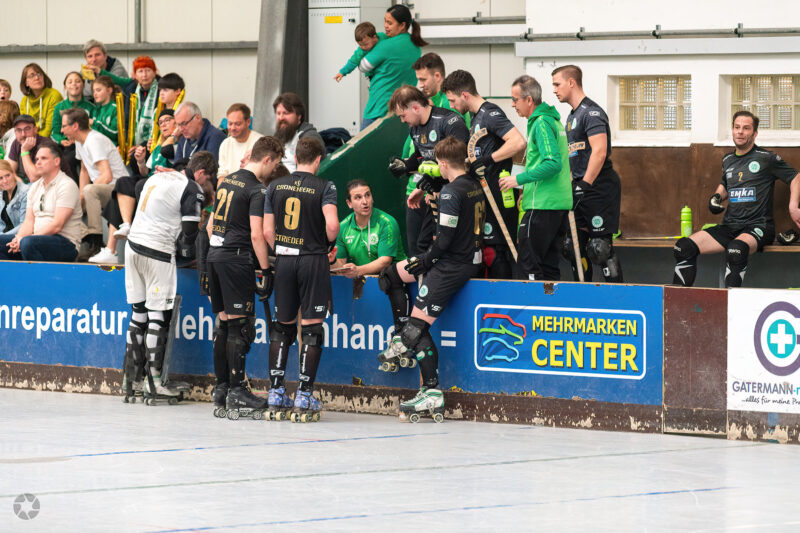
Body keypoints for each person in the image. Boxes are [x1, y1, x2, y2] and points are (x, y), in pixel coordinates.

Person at [391, 136, 485, 421]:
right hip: (470, 259)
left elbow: (443, 240)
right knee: (399, 291)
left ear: (443, 163)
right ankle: (404, 349)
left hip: (452, 265)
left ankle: (431, 391)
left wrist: (424, 261)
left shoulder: (451, 193)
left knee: (415, 329)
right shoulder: (473, 184)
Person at [673, 111, 800, 288]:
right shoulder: (728, 159)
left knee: (736, 250)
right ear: (732, 130)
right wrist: (716, 197)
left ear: (754, 133)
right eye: (737, 127)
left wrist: (793, 207)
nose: (740, 131)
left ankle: (729, 303)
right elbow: (725, 184)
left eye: (746, 128)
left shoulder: (767, 158)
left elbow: (796, 177)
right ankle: (677, 301)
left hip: (758, 226)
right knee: (683, 247)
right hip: (730, 226)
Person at [121, 150, 210, 402]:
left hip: (132, 246)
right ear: (201, 173)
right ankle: (155, 382)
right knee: (158, 316)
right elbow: (190, 233)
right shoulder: (191, 188)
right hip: (157, 251)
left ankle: (131, 380)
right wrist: (188, 252)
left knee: (138, 314)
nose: (205, 186)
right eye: (207, 180)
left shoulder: (156, 177)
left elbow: (138, 188)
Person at [206, 136, 283, 419]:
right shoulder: (256, 189)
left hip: (215, 256)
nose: (273, 170)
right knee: (240, 328)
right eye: (275, 164)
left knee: (224, 324)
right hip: (236, 259)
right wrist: (266, 270)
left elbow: (209, 227)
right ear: (267, 159)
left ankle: (222, 388)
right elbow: (257, 234)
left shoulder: (226, 181)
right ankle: (238, 390)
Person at [263, 137, 338, 423]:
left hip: (284, 260)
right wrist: (325, 242)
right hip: (312, 259)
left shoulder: (275, 186)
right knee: (312, 328)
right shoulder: (325, 186)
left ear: (295, 157)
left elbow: (267, 231)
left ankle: (276, 392)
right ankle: (304, 395)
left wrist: (282, 248)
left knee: (282, 326)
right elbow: (332, 226)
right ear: (318, 159)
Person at [443, 69, 527, 279]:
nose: (451, 106)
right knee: (488, 252)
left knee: (498, 252)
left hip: (500, 194)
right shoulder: (474, 117)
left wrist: (489, 159)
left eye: (453, 100)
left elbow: (518, 142)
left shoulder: (489, 113)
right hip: (484, 194)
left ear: (465, 95)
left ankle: (507, 296)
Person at [496, 75, 573, 281]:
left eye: (515, 99)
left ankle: (533, 301)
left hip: (542, 205)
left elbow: (552, 163)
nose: (512, 105)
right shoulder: (552, 121)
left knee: (528, 267)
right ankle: (548, 299)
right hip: (555, 205)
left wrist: (518, 180)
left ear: (529, 100)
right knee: (549, 268)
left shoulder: (541, 123)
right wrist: (527, 192)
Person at [552, 64, 623, 283]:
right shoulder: (571, 117)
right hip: (579, 188)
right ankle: (583, 295)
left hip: (598, 188)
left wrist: (584, 184)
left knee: (599, 248)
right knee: (573, 247)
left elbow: (599, 151)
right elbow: (573, 158)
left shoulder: (591, 112)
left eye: (557, 84)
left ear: (571, 82)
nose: (554, 90)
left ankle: (617, 296)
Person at [387, 85, 469, 258]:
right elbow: (421, 156)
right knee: (422, 245)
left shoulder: (449, 122)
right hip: (433, 194)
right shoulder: (414, 128)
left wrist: (435, 182)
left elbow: (463, 163)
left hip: (457, 197)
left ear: (416, 108)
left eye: (403, 115)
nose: (402, 120)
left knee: (449, 245)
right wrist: (405, 165)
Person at [333, 179, 410, 363]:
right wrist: (331, 262)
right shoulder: (343, 227)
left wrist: (357, 270)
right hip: (367, 289)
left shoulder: (386, 222)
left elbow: (385, 261)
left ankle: (401, 342)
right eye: (358, 197)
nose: (365, 201)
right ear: (349, 203)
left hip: (396, 285)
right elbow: (340, 263)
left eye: (367, 195)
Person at [60, 108, 128, 263]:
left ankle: (96, 243)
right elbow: (84, 170)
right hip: (101, 188)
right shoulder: (80, 142)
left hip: (118, 189)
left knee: (90, 191)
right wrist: (80, 197)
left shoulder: (94, 140)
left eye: (64, 126)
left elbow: (107, 176)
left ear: (75, 126)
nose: (61, 130)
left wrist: (86, 193)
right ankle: (87, 237)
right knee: (67, 206)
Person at [0, 140, 82, 262]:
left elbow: (57, 225)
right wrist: (18, 238)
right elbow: (28, 221)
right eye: (37, 159)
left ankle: (38, 275)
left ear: (56, 161)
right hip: (36, 240)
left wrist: (26, 238)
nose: (38, 162)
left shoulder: (66, 185)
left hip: (65, 242)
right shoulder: (35, 187)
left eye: (43, 158)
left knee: (28, 243)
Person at [357, 4, 425, 129]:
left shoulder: (386, 45)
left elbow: (363, 66)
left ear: (402, 25)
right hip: (403, 110)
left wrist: (363, 50)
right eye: (385, 21)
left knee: (366, 142)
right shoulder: (416, 45)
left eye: (390, 23)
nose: (385, 26)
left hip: (379, 109)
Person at [99, 55, 160, 147]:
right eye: (140, 71)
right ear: (135, 75)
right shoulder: (129, 91)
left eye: (148, 70)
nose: (144, 75)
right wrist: (127, 144)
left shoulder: (162, 90)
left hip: (154, 141)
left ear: (154, 72)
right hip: (132, 143)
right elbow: (126, 121)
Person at [51, 72, 95, 179]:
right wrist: (61, 140)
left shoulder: (91, 107)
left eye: (78, 81)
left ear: (83, 85)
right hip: (67, 145)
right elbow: (54, 132)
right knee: (66, 160)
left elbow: (94, 129)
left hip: (86, 144)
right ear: (65, 87)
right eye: (70, 82)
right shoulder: (59, 107)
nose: (74, 84)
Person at [6, 114, 72, 182]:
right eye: (19, 130)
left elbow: (34, 178)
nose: (23, 134)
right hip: (28, 184)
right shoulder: (16, 143)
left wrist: (24, 151)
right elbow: (9, 171)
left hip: (56, 184)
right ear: (15, 132)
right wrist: (20, 184)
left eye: (27, 129)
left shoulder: (46, 145)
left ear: (35, 130)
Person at [272, 93, 324, 173]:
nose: (281, 117)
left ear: (299, 116)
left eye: (285, 113)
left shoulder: (310, 138)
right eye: (278, 113)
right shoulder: (279, 136)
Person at [217, 103, 263, 181]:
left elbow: (261, 178)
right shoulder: (225, 144)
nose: (233, 128)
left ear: (248, 122)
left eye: (237, 124)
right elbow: (222, 176)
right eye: (230, 123)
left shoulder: (260, 143)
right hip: (228, 187)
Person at [19, 63, 63, 138]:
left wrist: (35, 141)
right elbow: (23, 127)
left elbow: (50, 129)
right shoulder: (24, 101)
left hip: (51, 139)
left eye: (39, 74)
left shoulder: (54, 95)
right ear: (26, 82)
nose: (37, 77)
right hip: (30, 139)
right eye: (32, 75)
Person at [0, 160, 29, 235]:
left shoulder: (25, 192)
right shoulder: (1, 194)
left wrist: (3, 236)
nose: (5, 181)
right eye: (0, 178)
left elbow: (24, 224)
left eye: (7, 175)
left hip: (19, 235)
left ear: (13, 173)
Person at [90, 76, 119, 145]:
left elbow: (115, 134)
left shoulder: (116, 108)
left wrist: (94, 123)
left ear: (109, 90)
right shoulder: (95, 110)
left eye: (98, 90)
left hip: (110, 148)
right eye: (93, 91)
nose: (95, 94)